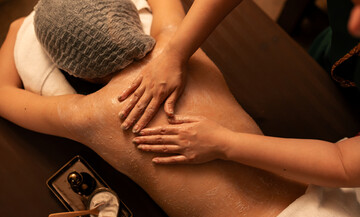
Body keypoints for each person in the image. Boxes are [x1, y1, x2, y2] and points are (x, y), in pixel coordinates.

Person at [1, 0, 360, 217]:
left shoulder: (86, 115)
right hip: (327, 203)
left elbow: (4, 95)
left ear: (71, 70)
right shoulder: (179, 45)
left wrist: (19, 29)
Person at [128, 0, 360, 188]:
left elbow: (343, 163)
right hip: (341, 59)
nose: (355, 24)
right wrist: (175, 53)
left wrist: (225, 144)